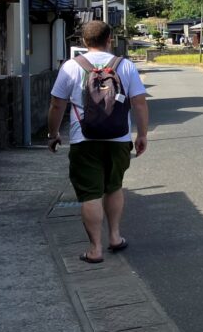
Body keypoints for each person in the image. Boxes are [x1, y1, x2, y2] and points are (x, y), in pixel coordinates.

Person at [46, 20, 149, 263]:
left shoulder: (71, 66)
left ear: (84, 41)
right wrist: (142, 135)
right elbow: (139, 103)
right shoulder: (125, 66)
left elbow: (57, 104)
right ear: (109, 39)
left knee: (90, 193)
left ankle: (95, 249)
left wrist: (53, 134)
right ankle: (114, 237)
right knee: (114, 187)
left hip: (84, 139)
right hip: (119, 138)